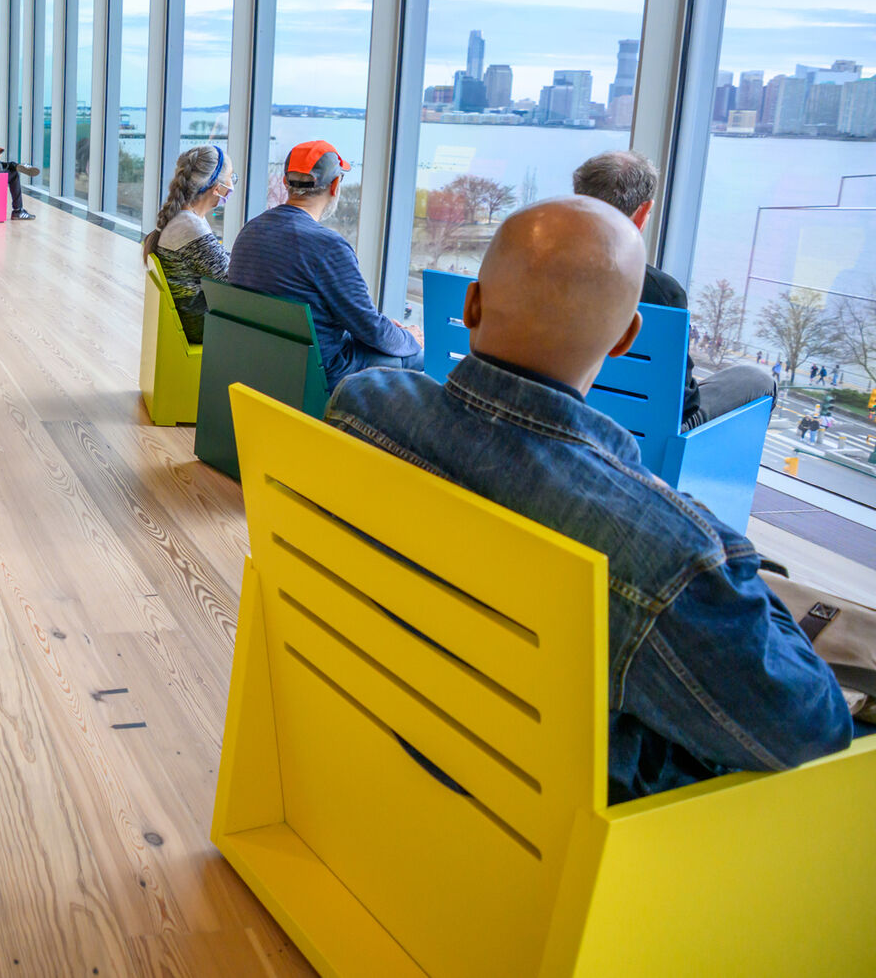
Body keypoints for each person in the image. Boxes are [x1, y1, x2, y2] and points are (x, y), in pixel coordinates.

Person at [327, 197, 851, 803]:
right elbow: (808, 727)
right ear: (628, 337)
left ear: (472, 305)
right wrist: (728, 557)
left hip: (376, 729)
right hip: (531, 811)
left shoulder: (362, 406)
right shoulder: (666, 551)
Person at [572, 151, 776, 428]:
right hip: (637, 435)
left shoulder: (531, 267)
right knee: (758, 380)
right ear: (643, 212)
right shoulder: (659, 292)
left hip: (560, 419)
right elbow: (684, 406)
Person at [230, 141, 422, 386]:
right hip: (317, 374)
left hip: (259, 363)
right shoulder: (328, 247)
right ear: (334, 186)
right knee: (415, 355)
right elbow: (370, 328)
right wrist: (409, 338)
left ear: (286, 183)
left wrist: (385, 330)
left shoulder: (249, 231)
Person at [143, 144, 234, 342]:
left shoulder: (184, 218)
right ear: (216, 188)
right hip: (198, 323)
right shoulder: (190, 227)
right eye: (231, 178)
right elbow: (230, 279)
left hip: (191, 316)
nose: (232, 186)